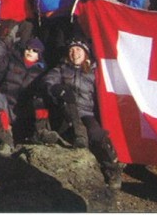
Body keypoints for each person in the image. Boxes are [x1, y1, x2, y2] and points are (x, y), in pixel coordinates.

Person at [41, 38, 122, 190]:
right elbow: (48, 80)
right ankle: (79, 136)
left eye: (78, 49)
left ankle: (113, 171)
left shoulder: (95, 71)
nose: (74, 53)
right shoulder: (62, 68)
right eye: (71, 50)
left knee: (97, 134)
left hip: (86, 113)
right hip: (65, 113)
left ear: (86, 53)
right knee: (68, 95)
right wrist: (56, 89)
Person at [0, 36, 47, 154]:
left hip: (25, 111)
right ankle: (4, 140)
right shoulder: (12, 62)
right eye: (28, 48)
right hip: (7, 106)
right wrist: (5, 38)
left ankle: (41, 132)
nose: (30, 52)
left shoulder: (41, 72)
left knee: (40, 101)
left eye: (34, 50)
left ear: (39, 55)